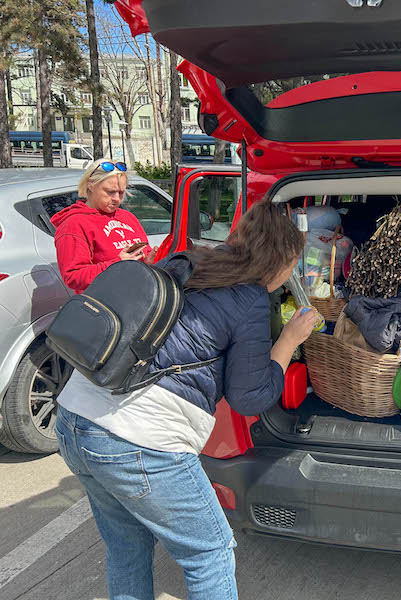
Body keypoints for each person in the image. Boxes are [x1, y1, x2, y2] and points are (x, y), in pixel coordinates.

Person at [54, 201, 318, 600]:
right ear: (282, 260)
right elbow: (249, 397)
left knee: (127, 548)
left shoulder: (188, 261)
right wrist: (287, 341)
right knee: (209, 553)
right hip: (139, 441)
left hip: (76, 417)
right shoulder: (248, 298)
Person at [52, 159, 156, 294]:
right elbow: (73, 276)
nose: (117, 199)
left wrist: (150, 260)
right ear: (91, 186)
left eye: (121, 192)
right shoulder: (74, 224)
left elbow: (143, 255)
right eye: (110, 192)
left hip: (138, 298)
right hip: (106, 306)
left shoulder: (127, 217)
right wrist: (117, 265)